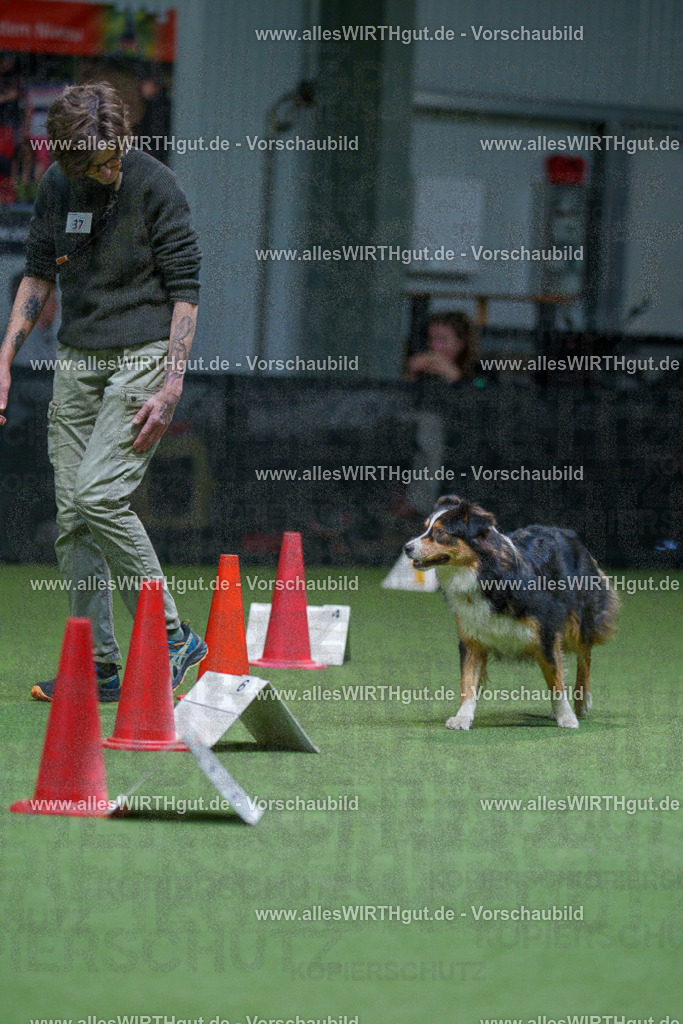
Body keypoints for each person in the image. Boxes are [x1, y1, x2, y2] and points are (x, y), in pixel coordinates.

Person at [0, 81, 207, 701]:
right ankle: (99, 666)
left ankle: (172, 636)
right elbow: (37, 273)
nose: (113, 168)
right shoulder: (59, 188)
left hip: (144, 354)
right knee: (72, 517)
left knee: (99, 494)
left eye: (117, 154)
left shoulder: (156, 184)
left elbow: (186, 289)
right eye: (99, 163)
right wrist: (5, 357)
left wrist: (172, 381)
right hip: (77, 359)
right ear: (66, 159)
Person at [405, 310, 478, 383]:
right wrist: (411, 374)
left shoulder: (480, 370)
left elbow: (480, 391)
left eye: (442, 339)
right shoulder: (425, 372)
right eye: (430, 339)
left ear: (461, 343)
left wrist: (456, 377)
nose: (434, 346)